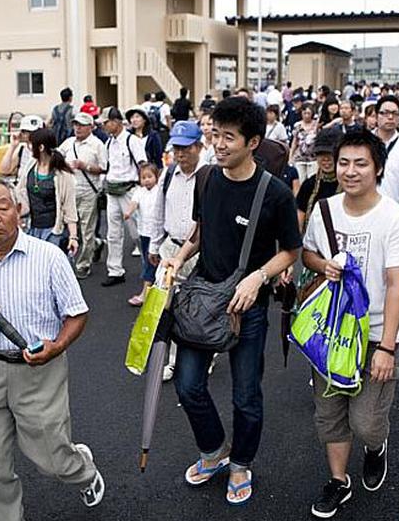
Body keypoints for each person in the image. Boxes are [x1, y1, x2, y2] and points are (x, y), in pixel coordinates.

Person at [162, 96, 300, 506]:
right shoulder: (206, 179)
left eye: (228, 137)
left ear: (253, 141)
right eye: (214, 135)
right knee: (188, 386)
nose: (218, 144)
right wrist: (178, 258)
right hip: (203, 299)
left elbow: (290, 250)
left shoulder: (273, 193)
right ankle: (214, 451)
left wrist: (258, 278)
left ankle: (241, 462)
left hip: (249, 307)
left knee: (246, 395)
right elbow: (200, 231)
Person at [0, 177, 104, 521]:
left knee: (52, 459)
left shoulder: (49, 257)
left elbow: (77, 313)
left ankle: (83, 469)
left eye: (3, 207)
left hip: (39, 370)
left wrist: (57, 345)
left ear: (19, 210)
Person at [302, 128, 399, 519]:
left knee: (366, 422)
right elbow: (308, 254)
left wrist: (387, 347)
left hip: (374, 335)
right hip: (331, 332)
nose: (350, 171)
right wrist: (323, 266)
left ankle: (375, 446)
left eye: (361, 163)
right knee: (328, 413)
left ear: (378, 168)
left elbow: (397, 285)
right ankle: (339, 481)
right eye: (344, 163)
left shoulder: (395, 218)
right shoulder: (325, 210)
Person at [149, 120, 207, 381]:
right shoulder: (169, 173)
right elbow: (158, 208)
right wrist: (154, 243)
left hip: (200, 250)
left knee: (198, 309)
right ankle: (171, 361)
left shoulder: (210, 174)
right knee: (167, 306)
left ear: (199, 146)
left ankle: (206, 355)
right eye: (176, 148)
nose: (180, 153)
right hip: (170, 247)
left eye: (186, 148)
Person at [101, 106, 148, 286]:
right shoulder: (109, 142)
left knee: (136, 232)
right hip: (112, 191)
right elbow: (108, 166)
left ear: (117, 122)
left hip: (129, 190)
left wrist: (144, 189)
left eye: (106, 122)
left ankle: (148, 268)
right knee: (113, 233)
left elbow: (142, 163)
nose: (104, 126)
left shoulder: (132, 140)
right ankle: (115, 270)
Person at [15, 128, 79, 255]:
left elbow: (69, 207)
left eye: (31, 144)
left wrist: (73, 237)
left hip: (52, 231)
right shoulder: (31, 165)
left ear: (41, 147)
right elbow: (19, 191)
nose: (29, 147)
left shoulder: (62, 175)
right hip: (30, 228)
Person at [59, 112, 107, 279]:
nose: (77, 128)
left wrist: (84, 166)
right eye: (75, 124)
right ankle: (97, 243)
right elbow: (56, 158)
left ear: (90, 127)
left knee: (87, 230)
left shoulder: (97, 144)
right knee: (72, 229)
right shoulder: (68, 143)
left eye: (81, 124)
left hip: (88, 191)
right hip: (69, 191)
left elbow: (103, 168)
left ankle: (83, 264)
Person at [125, 163, 160, 306]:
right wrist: (129, 211)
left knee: (153, 263)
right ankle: (150, 292)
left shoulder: (159, 190)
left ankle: (146, 293)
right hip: (145, 232)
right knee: (148, 261)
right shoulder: (139, 191)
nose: (146, 180)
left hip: (157, 233)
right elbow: (134, 203)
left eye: (150, 176)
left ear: (156, 177)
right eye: (143, 177)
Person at [296, 128, 342, 233]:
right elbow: (298, 223)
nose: (325, 159)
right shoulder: (309, 185)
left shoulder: (350, 185)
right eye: (320, 153)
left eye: (330, 154)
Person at [0, 114, 44, 185]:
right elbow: (5, 170)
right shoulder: (21, 149)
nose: (30, 135)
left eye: (33, 132)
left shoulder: (47, 150)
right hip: (22, 190)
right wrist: (12, 146)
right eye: (25, 131)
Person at [291, 103, 319, 181]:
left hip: (313, 158)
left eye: (308, 113)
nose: (306, 115)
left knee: (312, 181)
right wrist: (291, 156)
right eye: (304, 113)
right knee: (300, 180)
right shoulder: (297, 125)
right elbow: (294, 141)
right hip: (299, 157)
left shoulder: (317, 125)